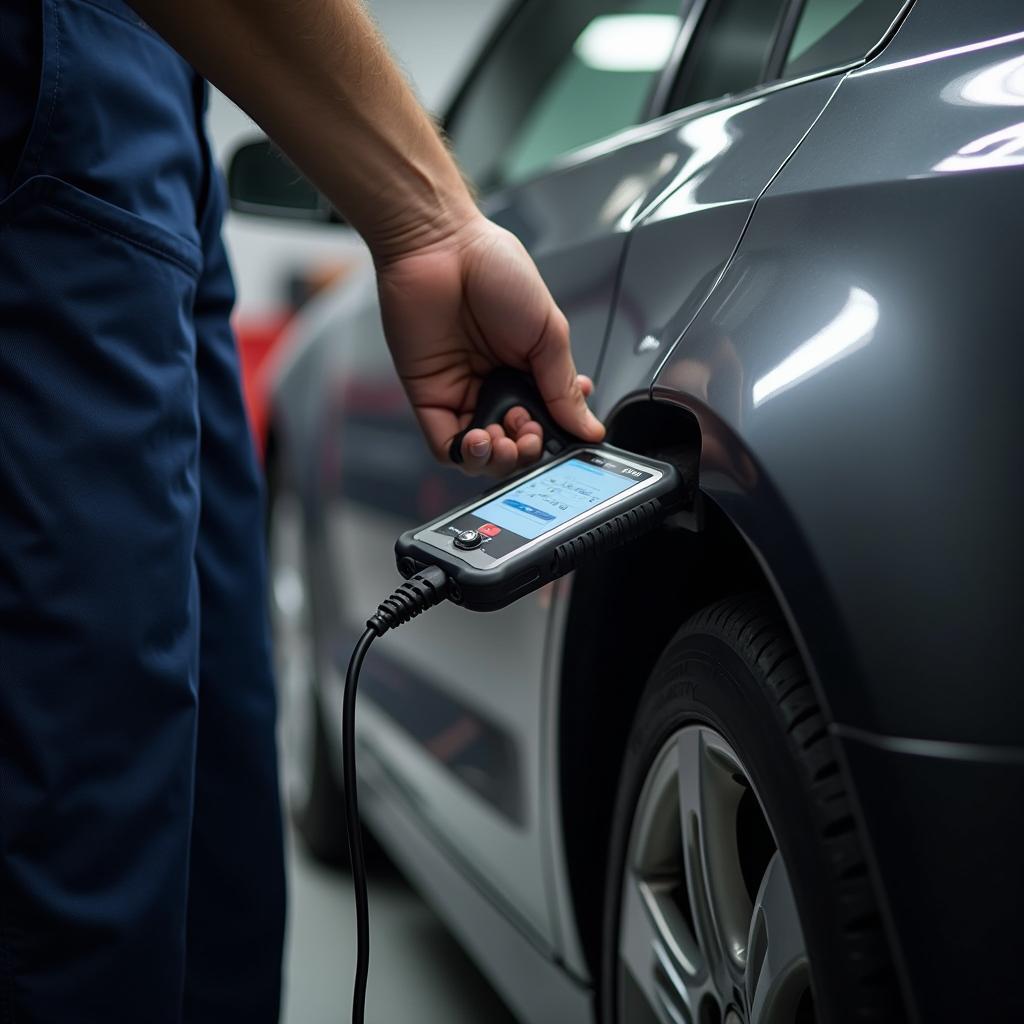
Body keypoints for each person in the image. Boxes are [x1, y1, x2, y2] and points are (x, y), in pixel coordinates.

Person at [0, 0, 604, 1020]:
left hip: (156, 92)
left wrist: (429, 222)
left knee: (212, 787)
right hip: (72, 73)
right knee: (87, 816)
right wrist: (433, 219)